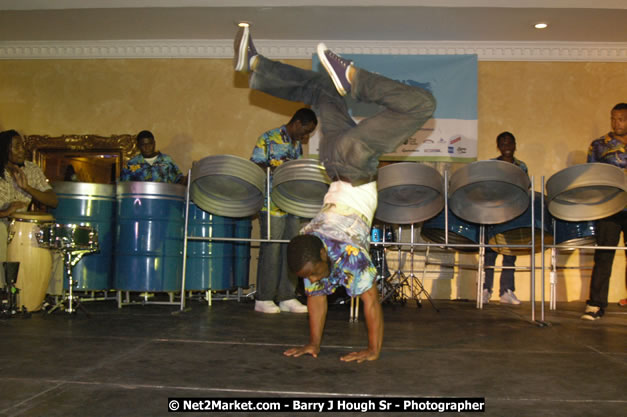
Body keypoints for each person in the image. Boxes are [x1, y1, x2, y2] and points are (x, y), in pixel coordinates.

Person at [233, 24, 435, 362]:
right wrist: (314, 344)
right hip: (333, 157)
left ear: (324, 256)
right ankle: (257, 66)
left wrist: (373, 350)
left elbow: (370, 302)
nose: (313, 282)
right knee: (322, 90)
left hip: (353, 164)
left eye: (312, 274)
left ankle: (353, 77)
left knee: (421, 104)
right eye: (308, 278)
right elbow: (316, 299)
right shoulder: (309, 246)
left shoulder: (348, 256)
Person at [251, 108, 318, 314]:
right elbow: (255, 166)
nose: (306, 137)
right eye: (305, 132)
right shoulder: (268, 138)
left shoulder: (296, 145)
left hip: (291, 204)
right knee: (272, 249)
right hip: (272, 205)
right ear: (297, 123)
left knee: (292, 250)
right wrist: (279, 167)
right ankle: (264, 298)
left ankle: (287, 296)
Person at [581, 102, 627, 320]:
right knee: (604, 254)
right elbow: (591, 176)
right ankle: (596, 304)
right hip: (610, 207)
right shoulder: (599, 145)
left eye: (621, 119)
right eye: (613, 118)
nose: (616, 123)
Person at [0, 130, 58, 285]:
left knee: (53, 240)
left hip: (24, 226)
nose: (22, 150)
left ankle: (37, 290)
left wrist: (27, 188)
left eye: (22, 146)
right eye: (16, 146)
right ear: (4, 149)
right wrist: (6, 212)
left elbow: (53, 201)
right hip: (2, 222)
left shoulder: (32, 169)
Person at [482, 131, 527, 305]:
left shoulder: (521, 166)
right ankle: (485, 289)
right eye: (503, 143)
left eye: (510, 143)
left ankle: (507, 291)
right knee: (490, 252)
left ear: (515, 145)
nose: (506, 146)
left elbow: (525, 188)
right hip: (494, 212)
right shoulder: (492, 165)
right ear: (498, 146)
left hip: (514, 213)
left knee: (510, 253)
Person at [120, 130, 184, 184]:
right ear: (138, 146)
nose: (147, 148)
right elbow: (124, 186)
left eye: (150, 144)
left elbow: (179, 180)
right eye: (143, 145)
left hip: (164, 198)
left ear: (154, 143)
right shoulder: (132, 164)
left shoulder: (166, 160)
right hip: (140, 198)